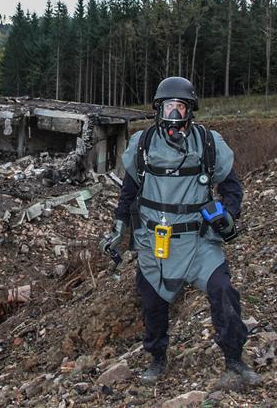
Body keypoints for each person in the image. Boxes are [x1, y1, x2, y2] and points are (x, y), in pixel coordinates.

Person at [99, 76, 260, 385]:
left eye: (180, 107)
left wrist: (228, 214)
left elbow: (232, 189)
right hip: (155, 240)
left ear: (191, 110)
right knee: (152, 300)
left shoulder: (209, 144)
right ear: (159, 110)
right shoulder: (143, 145)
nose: (174, 114)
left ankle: (234, 359)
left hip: (198, 240)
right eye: (168, 107)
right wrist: (119, 228)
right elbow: (128, 193)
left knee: (222, 290)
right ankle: (157, 358)